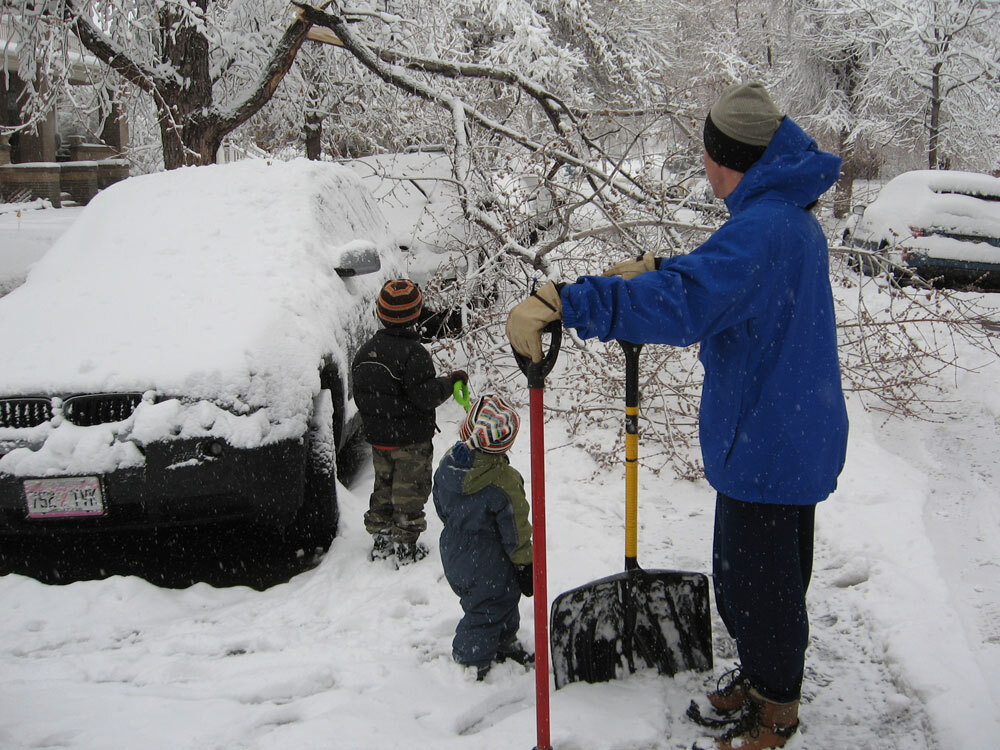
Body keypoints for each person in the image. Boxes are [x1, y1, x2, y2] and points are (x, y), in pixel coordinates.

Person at [505, 82, 848, 749]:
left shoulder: (766, 228)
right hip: (778, 435)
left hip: (770, 444)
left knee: (763, 587)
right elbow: (723, 282)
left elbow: (687, 303)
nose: (703, 163)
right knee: (753, 578)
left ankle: (776, 710)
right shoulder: (779, 218)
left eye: (708, 152)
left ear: (732, 159)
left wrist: (567, 300)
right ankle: (763, 677)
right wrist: (662, 266)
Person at [352, 278, 468, 566]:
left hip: (380, 438)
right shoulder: (414, 354)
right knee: (410, 490)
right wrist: (449, 381)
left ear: (380, 313)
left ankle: (380, 536)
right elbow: (425, 396)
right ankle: (405, 545)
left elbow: (362, 395)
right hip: (410, 440)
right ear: (416, 315)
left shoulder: (365, 353)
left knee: (384, 485)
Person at [432, 394, 535, 681]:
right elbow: (516, 530)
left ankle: (502, 642)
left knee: (496, 601)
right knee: (488, 607)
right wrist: (525, 564)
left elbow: (439, 504)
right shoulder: (504, 481)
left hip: (454, 550)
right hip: (489, 559)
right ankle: (470, 661)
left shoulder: (448, 465)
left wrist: (460, 528)